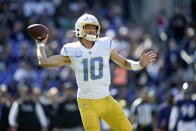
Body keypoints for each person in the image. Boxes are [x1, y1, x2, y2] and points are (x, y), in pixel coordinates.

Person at [34, 13, 157, 131]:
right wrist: (40, 45)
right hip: (86, 101)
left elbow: (124, 63)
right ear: (79, 30)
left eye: (94, 28)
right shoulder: (71, 49)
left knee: (126, 129)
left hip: (106, 99)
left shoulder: (105, 44)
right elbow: (44, 62)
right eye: (88, 28)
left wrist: (139, 64)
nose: (92, 31)